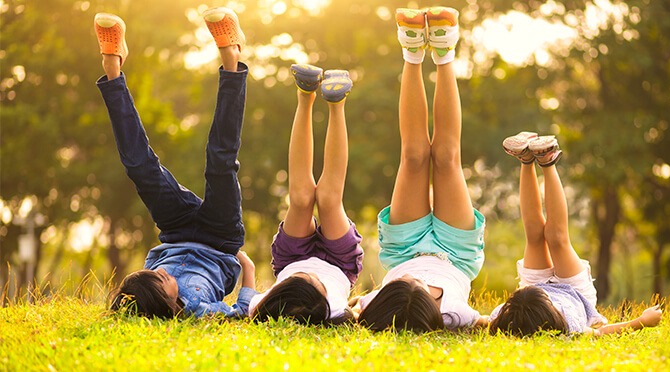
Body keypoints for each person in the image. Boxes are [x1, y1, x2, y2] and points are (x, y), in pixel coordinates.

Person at [101, 7, 258, 318]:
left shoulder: (139, 298)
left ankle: (112, 68)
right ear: (170, 304)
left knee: (140, 168)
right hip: (220, 236)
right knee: (220, 162)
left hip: (175, 230)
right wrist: (248, 268)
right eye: (161, 281)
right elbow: (242, 313)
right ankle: (232, 59)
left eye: (154, 276)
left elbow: (130, 298)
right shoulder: (199, 311)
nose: (160, 274)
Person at [355, 7, 489, 332]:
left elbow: (345, 309)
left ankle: (412, 52)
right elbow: (492, 320)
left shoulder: (372, 305)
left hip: (403, 251)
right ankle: (444, 52)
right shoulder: (456, 314)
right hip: (456, 254)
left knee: (414, 156)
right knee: (445, 157)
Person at [489, 132, 663, 336]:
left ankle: (526, 159)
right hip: (574, 292)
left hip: (530, 296)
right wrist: (642, 321)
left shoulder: (504, 317)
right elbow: (602, 333)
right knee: (557, 239)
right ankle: (547, 161)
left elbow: (479, 321)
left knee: (534, 236)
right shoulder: (569, 327)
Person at [246, 64, 364, 325]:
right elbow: (358, 313)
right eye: (313, 284)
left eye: (303, 280)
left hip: (291, 257)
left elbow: (242, 304)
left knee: (300, 198)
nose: (310, 276)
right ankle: (337, 103)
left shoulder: (263, 306)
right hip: (339, 263)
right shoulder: (333, 311)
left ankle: (305, 93)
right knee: (329, 199)